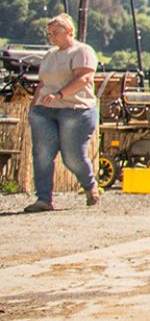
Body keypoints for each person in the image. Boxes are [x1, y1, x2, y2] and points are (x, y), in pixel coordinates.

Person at [24, 13, 100, 212]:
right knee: (42, 153)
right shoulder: (50, 55)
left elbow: (83, 78)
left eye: (55, 33)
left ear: (69, 31)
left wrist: (60, 94)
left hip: (76, 110)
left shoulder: (83, 51)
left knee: (72, 157)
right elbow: (43, 83)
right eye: (49, 34)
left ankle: (90, 186)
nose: (52, 37)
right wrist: (33, 107)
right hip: (46, 110)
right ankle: (43, 199)